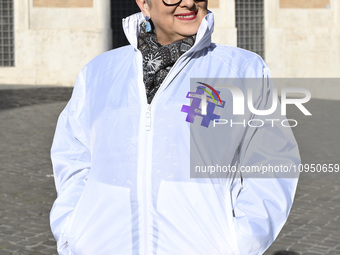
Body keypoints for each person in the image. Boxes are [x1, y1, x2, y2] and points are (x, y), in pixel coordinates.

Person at [50, 0, 300, 254]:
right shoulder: (99, 72)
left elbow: (273, 162)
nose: (189, 2)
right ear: (144, 4)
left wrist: (238, 244)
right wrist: (72, 232)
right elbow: (73, 156)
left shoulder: (242, 69)